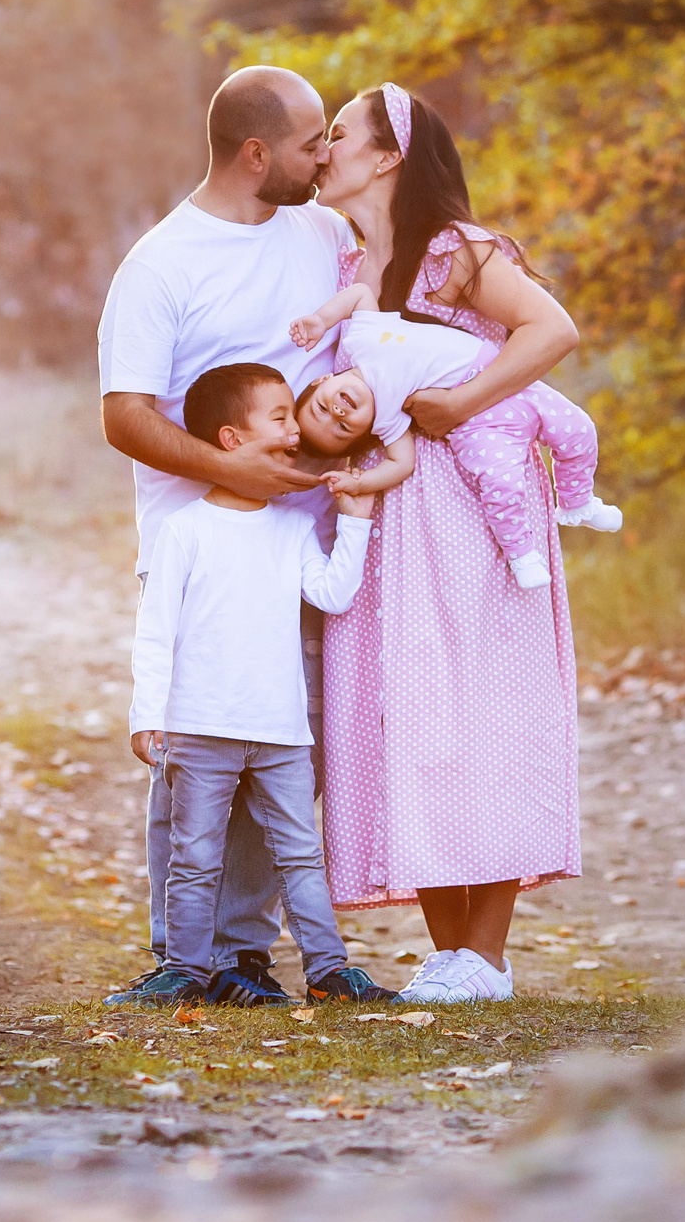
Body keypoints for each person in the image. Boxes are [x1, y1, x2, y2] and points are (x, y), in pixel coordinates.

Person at [312, 81, 586, 1006]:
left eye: (339, 134)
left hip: (472, 507)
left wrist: (459, 403)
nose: (324, 149)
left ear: (389, 155)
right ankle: (452, 957)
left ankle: (489, 955)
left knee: (484, 705)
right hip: (389, 512)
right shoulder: (347, 262)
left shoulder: (456, 251)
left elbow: (552, 329)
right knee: (407, 711)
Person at [95, 65, 354, 1005]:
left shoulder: (326, 236)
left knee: (284, 752)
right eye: (310, 144)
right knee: (200, 767)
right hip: (199, 552)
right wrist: (233, 472)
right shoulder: (161, 265)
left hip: (303, 549)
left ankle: (245, 954)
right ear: (255, 154)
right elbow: (124, 416)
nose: (323, 159)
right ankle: (184, 956)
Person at [122, 363, 396, 1008]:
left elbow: (332, 593)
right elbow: (156, 631)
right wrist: (146, 714)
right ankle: (184, 973)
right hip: (199, 728)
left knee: (300, 856)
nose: (295, 429)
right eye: (279, 418)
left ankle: (328, 970)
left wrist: (355, 521)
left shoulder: (292, 528)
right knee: (194, 858)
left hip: (281, 732)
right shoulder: (184, 531)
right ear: (231, 439)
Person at [290, 290, 622, 589]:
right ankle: (521, 554)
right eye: (342, 428)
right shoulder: (388, 421)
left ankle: (578, 501)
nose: (338, 412)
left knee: (578, 428)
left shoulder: (361, 339)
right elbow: (402, 464)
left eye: (322, 407)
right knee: (501, 482)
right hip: (476, 420)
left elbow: (360, 293)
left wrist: (321, 320)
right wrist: (361, 482)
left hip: (500, 379)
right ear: (364, 432)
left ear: (322, 381)